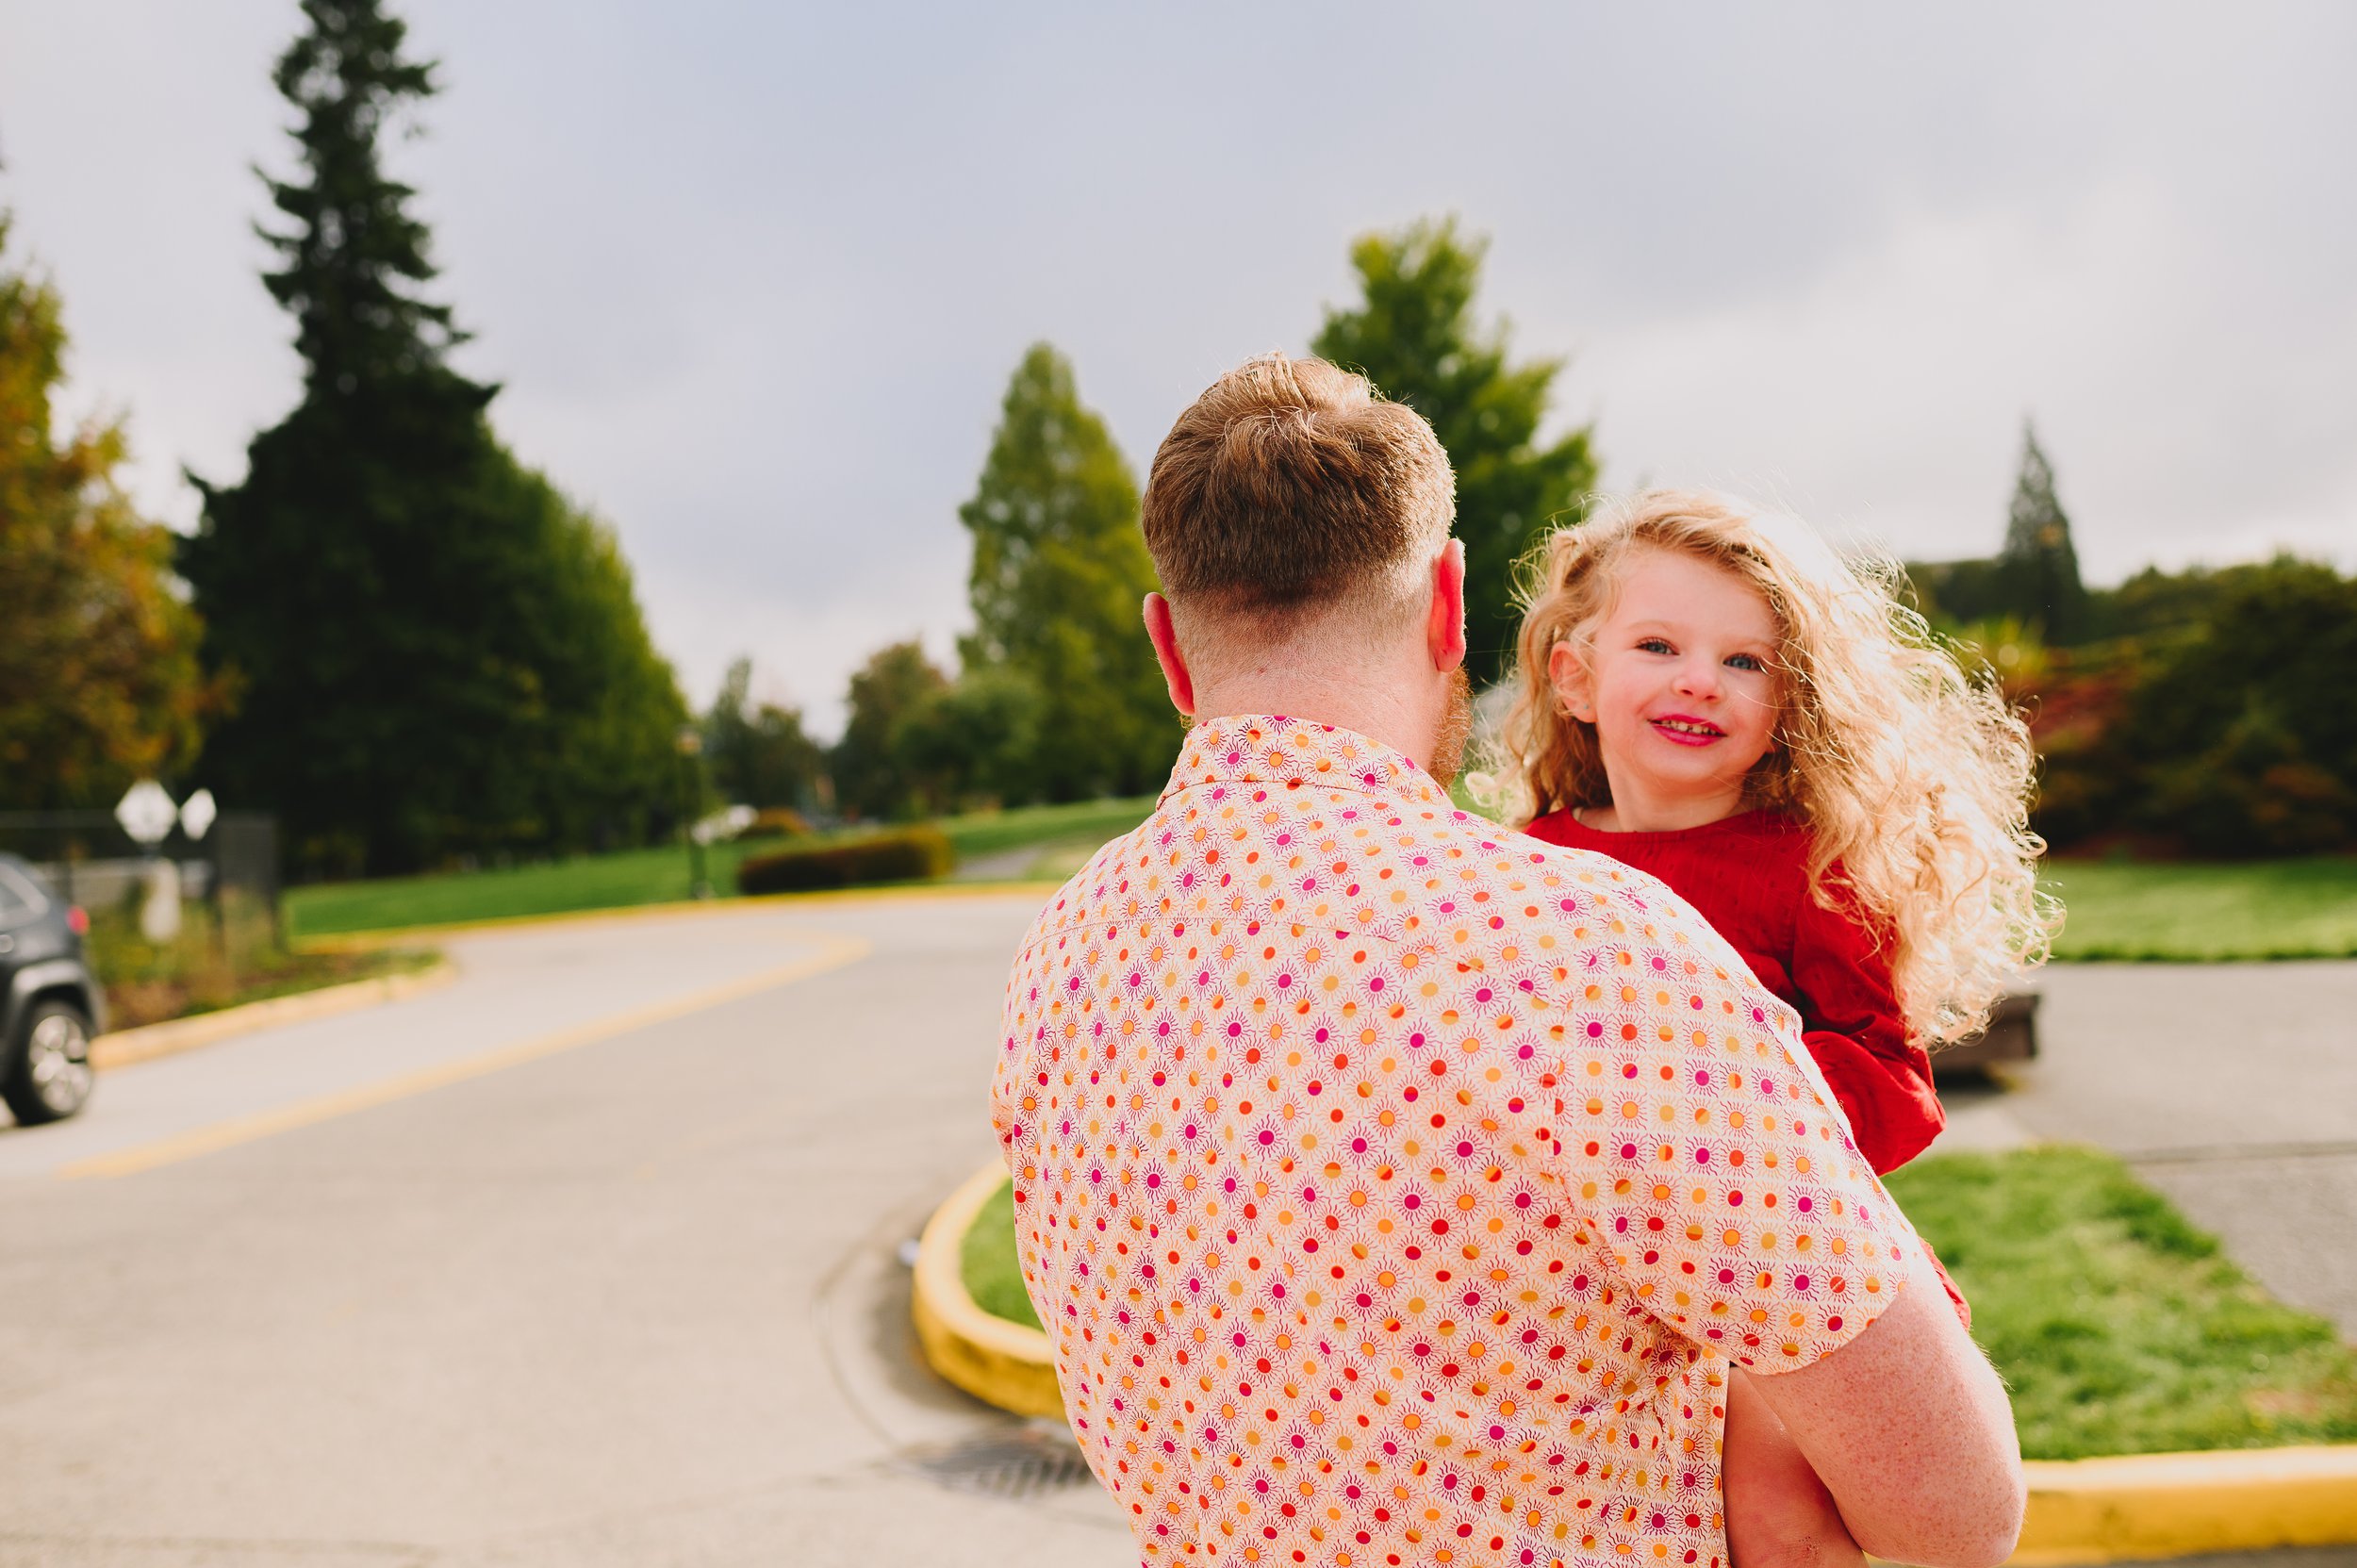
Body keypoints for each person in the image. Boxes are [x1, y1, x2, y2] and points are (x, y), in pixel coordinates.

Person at [989, 354, 2024, 1568]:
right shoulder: (1589, 957)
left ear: (1169, 646)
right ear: (1447, 602)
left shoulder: (1059, 957)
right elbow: (1954, 1514)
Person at [1494, 489, 2052, 1563]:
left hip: (1781, 1270)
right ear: (1574, 676)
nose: (1701, 677)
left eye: (1744, 661)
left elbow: (1891, 1074)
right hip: (1594, 1272)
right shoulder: (1533, 871)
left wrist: (1736, 1121)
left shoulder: (1806, 875)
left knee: (1773, 1520)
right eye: (1659, 644)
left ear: (1789, 701)